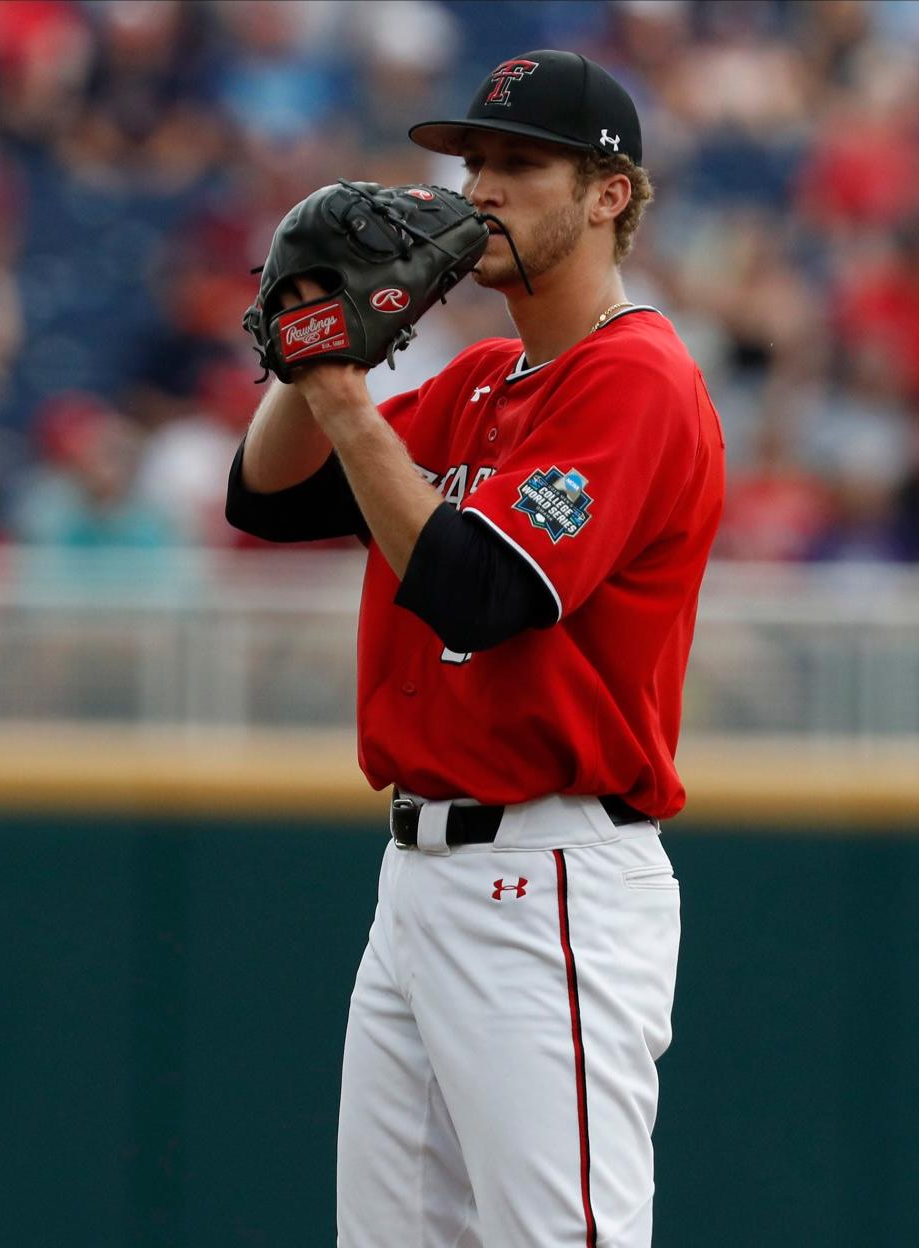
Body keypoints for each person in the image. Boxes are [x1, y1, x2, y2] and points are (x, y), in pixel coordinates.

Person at [226, 49, 724, 1248]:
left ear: (610, 192)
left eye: (521, 163)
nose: (480, 188)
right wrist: (311, 339)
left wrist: (343, 393)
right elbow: (268, 499)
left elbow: (480, 593)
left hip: (546, 877)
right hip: (420, 884)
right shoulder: (487, 378)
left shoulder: (635, 377)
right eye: (473, 162)